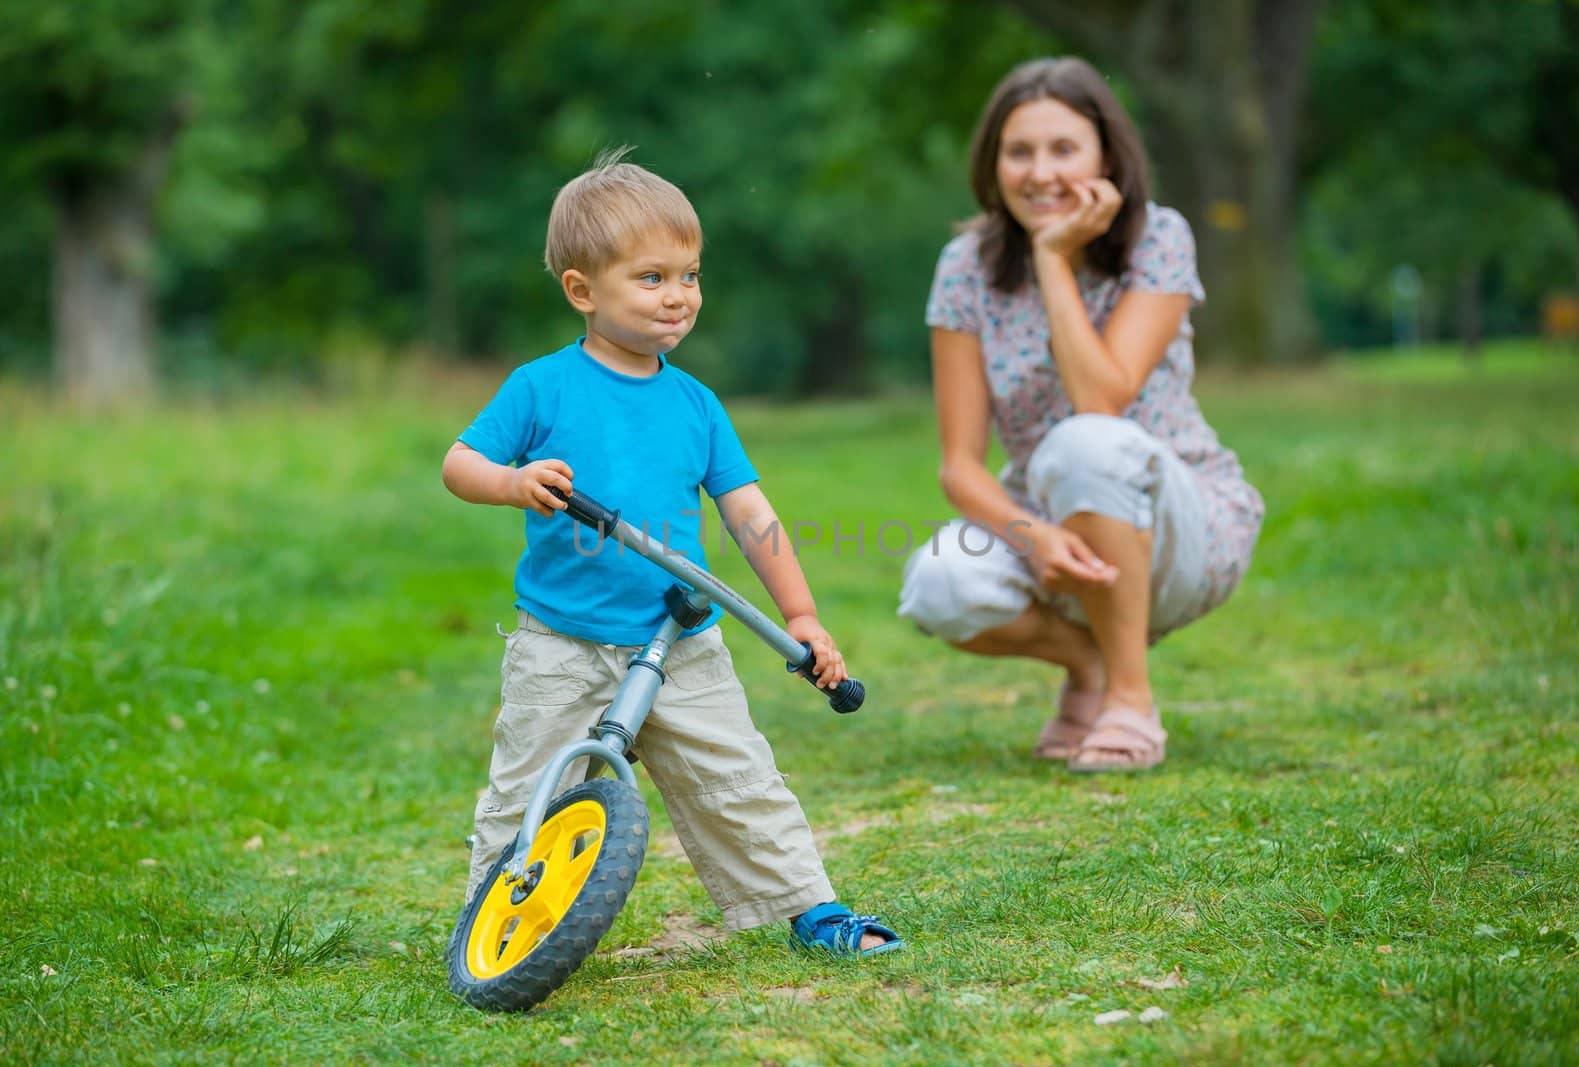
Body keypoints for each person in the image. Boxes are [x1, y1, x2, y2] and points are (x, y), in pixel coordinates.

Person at [443, 151, 899, 954]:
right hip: (563, 642)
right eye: (651, 277)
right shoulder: (541, 387)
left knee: (738, 779)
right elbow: (460, 464)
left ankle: (813, 908)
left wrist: (802, 614)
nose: (679, 295)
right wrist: (513, 483)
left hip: (676, 639)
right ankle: (502, 922)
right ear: (582, 290)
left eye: (689, 275)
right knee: (531, 792)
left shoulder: (696, 403)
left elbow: (751, 514)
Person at [897, 57, 1264, 773]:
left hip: (1181, 525)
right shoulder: (965, 267)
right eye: (1020, 151)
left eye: (1063, 149)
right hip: (1053, 521)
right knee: (938, 582)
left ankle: (1132, 701)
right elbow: (961, 466)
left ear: (1105, 155)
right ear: (993, 162)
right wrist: (1029, 535)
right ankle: (1090, 666)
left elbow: (1102, 400)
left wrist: (1054, 257)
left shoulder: (1158, 237)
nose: (1040, 172)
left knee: (1084, 442)